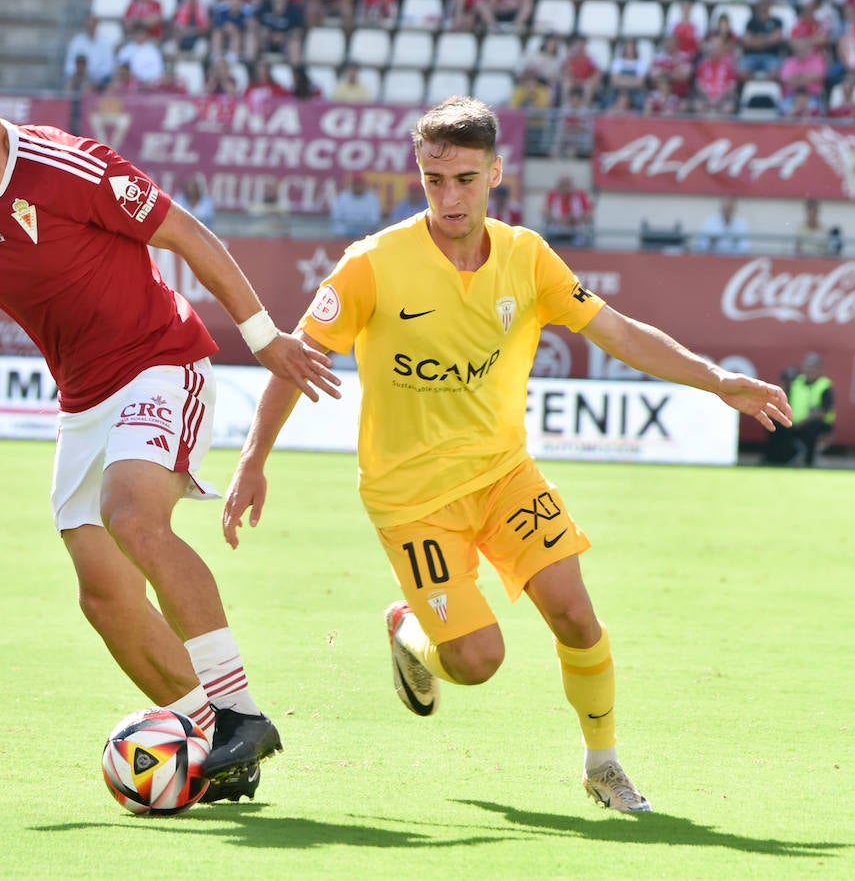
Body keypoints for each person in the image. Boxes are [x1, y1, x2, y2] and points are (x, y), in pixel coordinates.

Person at [0, 22, 341, 803]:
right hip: (83, 399)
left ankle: (241, 711)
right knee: (102, 596)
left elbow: (188, 235)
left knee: (133, 515)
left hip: (164, 362)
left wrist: (262, 339)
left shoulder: (69, 164)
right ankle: (209, 743)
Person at [221, 96, 792, 814]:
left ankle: (603, 765)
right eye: (434, 179)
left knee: (577, 618)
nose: (449, 195)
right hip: (411, 499)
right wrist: (252, 460)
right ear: (418, 174)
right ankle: (409, 630)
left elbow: (616, 330)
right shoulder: (372, 265)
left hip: (503, 476)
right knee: (477, 661)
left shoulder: (527, 257)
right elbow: (297, 358)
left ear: (496, 171)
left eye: (463, 178)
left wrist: (716, 380)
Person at [764, 352, 835, 466]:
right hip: (793, 422)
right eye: (807, 366)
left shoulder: (824, 385)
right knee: (773, 424)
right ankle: (774, 460)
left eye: (812, 367)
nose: (809, 370)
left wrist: (802, 422)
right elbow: (783, 399)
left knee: (813, 427)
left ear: (819, 368)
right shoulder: (796, 382)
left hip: (814, 424)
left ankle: (808, 461)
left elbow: (822, 411)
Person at [542, 174, 594, 247]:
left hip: (576, 231)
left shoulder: (580, 195)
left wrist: (575, 218)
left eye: (567, 184)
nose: (564, 187)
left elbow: (589, 215)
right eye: (562, 184)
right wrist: (558, 219)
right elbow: (545, 212)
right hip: (557, 231)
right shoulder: (552, 195)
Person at [330, 172, 384, 239]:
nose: (358, 186)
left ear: (364, 185)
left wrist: (362, 229)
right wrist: (350, 227)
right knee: (339, 229)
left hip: (366, 231)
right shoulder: (344, 196)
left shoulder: (372, 197)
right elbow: (336, 217)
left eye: (360, 184)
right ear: (352, 185)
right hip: (347, 231)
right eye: (356, 184)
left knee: (375, 231)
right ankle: (341, 247)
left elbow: (375, 220)